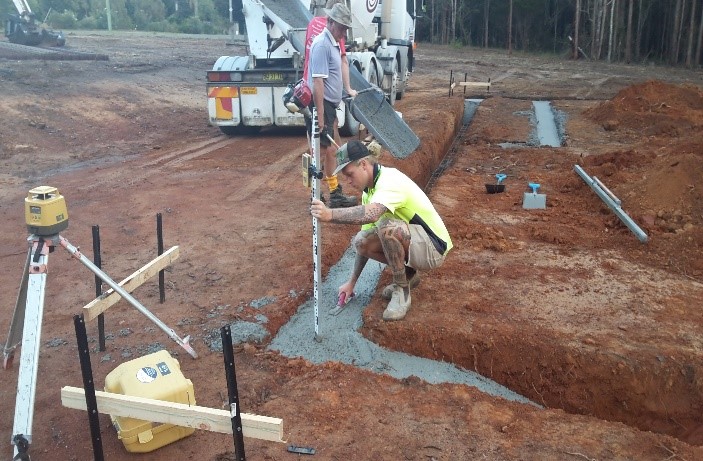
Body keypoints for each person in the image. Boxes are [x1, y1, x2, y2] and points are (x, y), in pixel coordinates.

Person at [310, 140, 453, 321]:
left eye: (349, 174)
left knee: (387, 227)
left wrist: (330, 214)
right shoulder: (369, 190)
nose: (348, 181)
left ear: (363, 165)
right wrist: (351, 282)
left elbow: (372, 214)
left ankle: (402, 292)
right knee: (362, 241)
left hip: (434, 247)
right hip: (417, 242)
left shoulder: (389, 181)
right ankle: (409, 275)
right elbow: (366, 236)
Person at [306, 2, 358, 208]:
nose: (344, 33)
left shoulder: (334, 42)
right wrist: (319, 115)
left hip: (329, 105)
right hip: (322, 105)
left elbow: (339, 68)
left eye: (346, 29)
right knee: (321, 151)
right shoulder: (322, 45)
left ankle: (333, 193)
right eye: (342, 28)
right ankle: (317, 195)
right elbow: (318, 82)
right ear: (331, 22)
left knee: (331, 150)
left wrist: (347, 89)